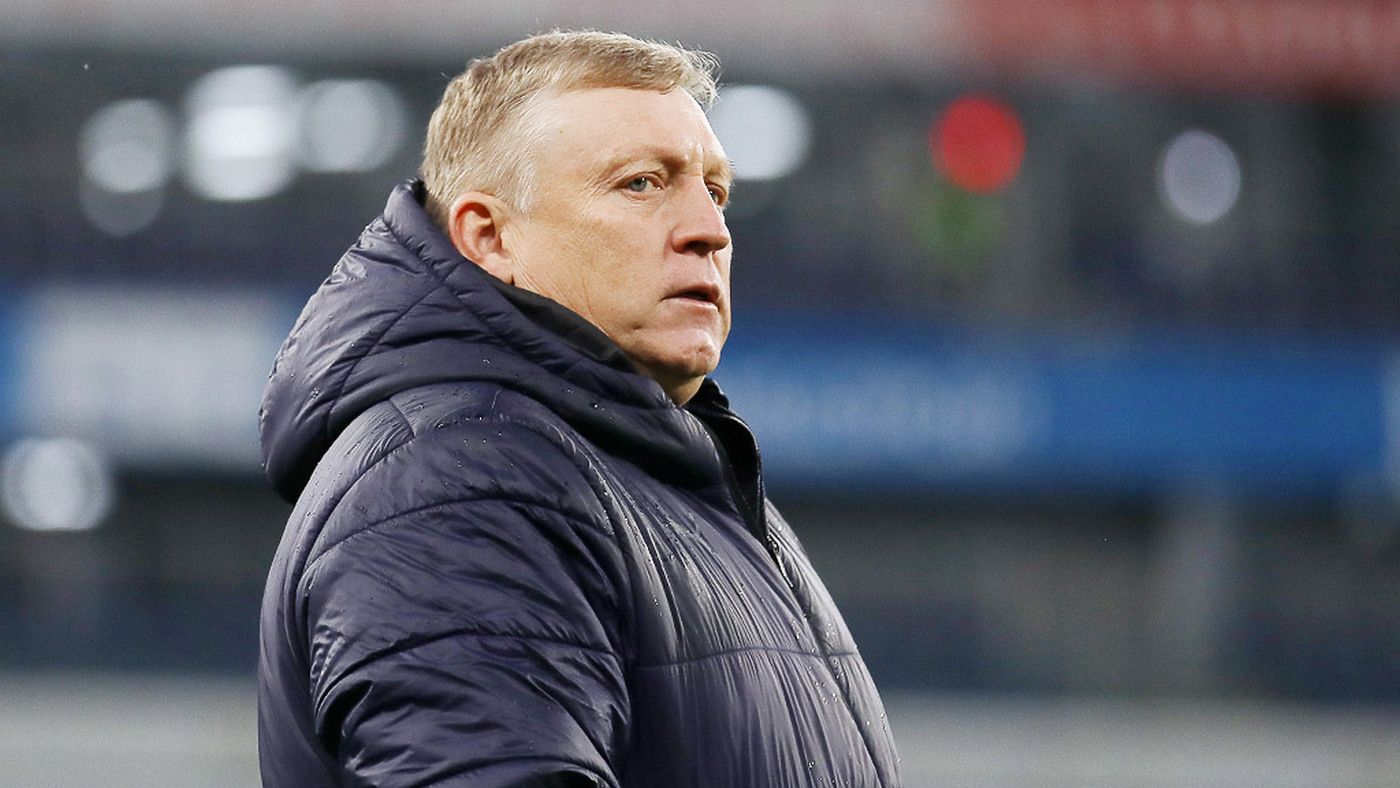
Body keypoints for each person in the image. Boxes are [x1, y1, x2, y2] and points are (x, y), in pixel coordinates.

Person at [257, 30, 901, 787]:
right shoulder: (464, 481)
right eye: (642, 184)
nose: (711, 231)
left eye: (716, 191)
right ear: (490, 236)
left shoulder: (664, 479)